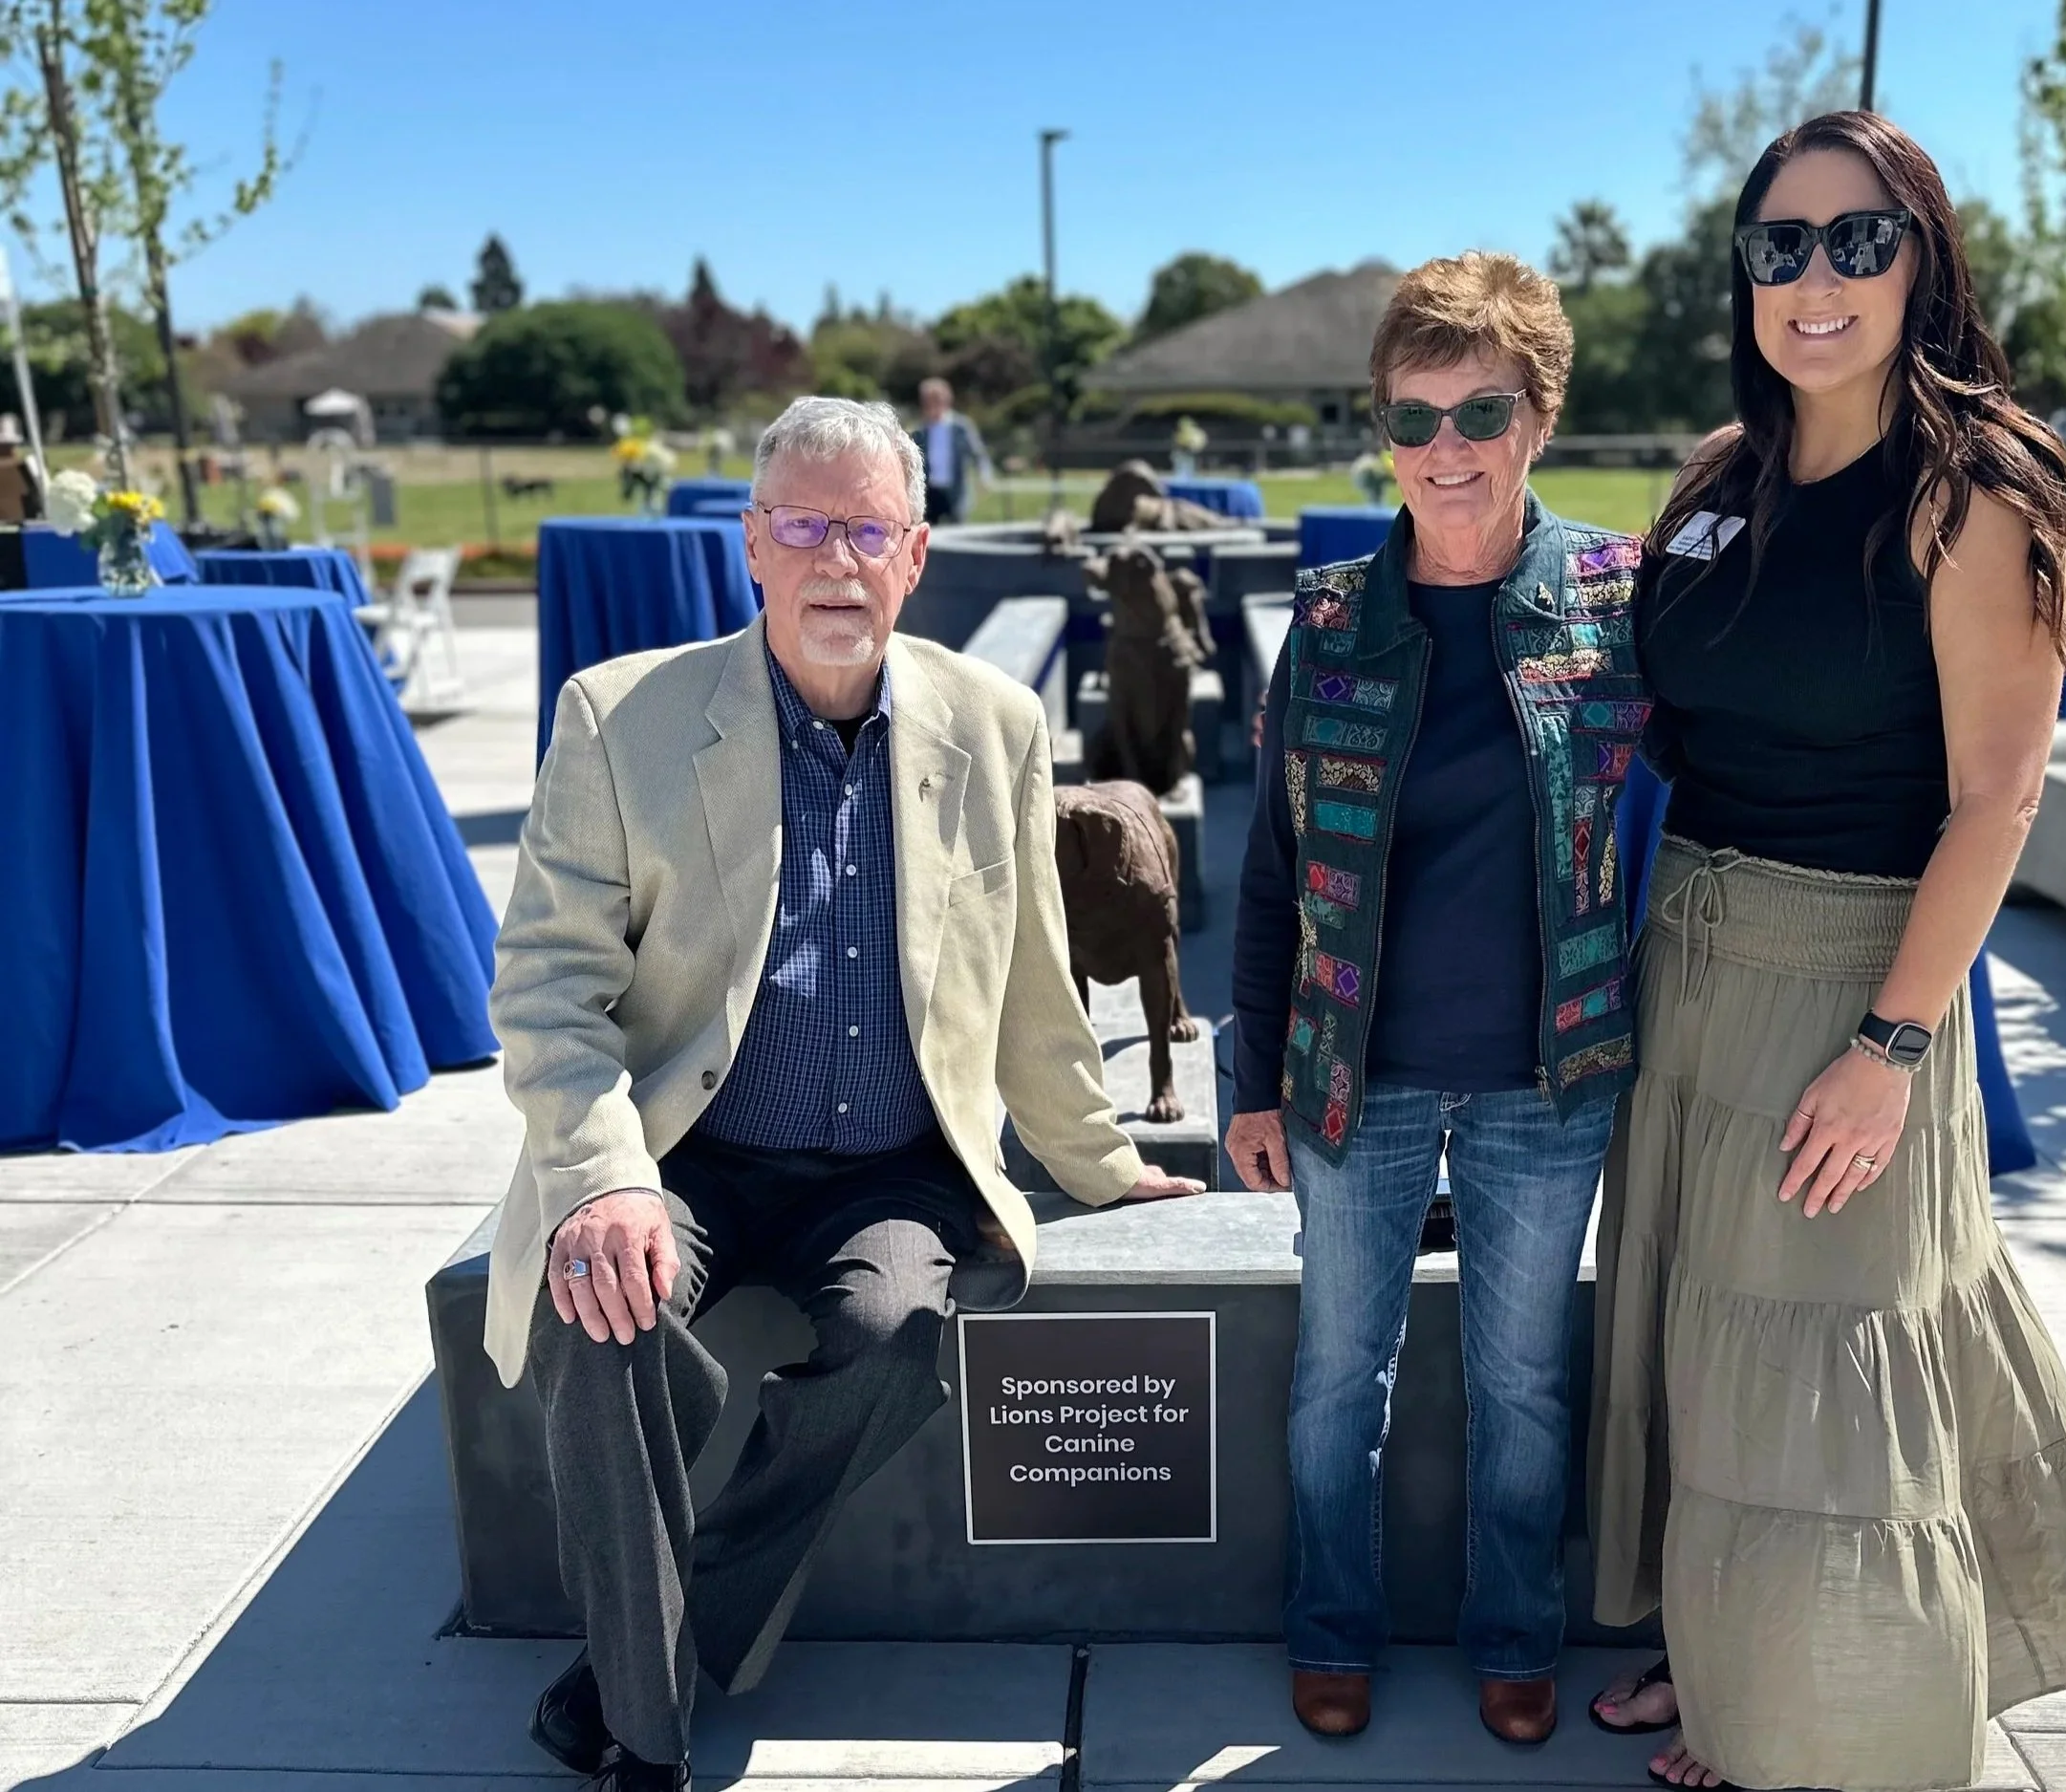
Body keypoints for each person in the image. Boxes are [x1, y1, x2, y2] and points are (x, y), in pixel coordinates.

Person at [485, 395, 1202, 1791]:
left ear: (914, 554)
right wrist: (603, 1175)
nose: (836, 559)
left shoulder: (993, 721)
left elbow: (1036, 981)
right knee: (606, 1320)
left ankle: (660, 1633)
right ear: (751, 545)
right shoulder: (618, 716)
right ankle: (646, 1735)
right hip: (683, 1151)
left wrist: (1103, 1161)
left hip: (890, 1166)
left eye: (865, 529)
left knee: (891, 1332)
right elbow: (547, 987)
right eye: (804, 526)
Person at [1584, 113, 2066, 1791]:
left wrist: (1895, 1045)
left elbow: (2000, 797)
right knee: (1710, 1341)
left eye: (1857, 240)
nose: (1814, 279)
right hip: (1688, 952)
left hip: (1855, 973)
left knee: (1827, 1358)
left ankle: (1832, 1725)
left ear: (1925, 259)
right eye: (1780, 247)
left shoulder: (1978, 492)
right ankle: (1725, 1665)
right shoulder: (1722, 477)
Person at [1227, 251, 1646, 1747]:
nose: (1445, 448)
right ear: (1384, 433)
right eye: (1415, 418)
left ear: (1537, 416)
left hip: (1554, 1077)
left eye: (1480, 409)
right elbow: (1273, 870)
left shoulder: (1618, 597)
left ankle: (1516, 1631)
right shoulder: (1332, 619)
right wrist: (1250, 1074)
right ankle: (1331, 1622)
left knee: (1525, 1379)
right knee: (1342, 1369)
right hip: (1357, 1073)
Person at [910, 377, 993, 525]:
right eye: (928, 401)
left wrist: (984, 476)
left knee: (957, 533)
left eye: (937, 401)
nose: (932, 406)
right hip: (930, 493)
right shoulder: (921, 430)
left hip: (955, 493)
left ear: (946, 401)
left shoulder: (961, 427)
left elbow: (978, 454)